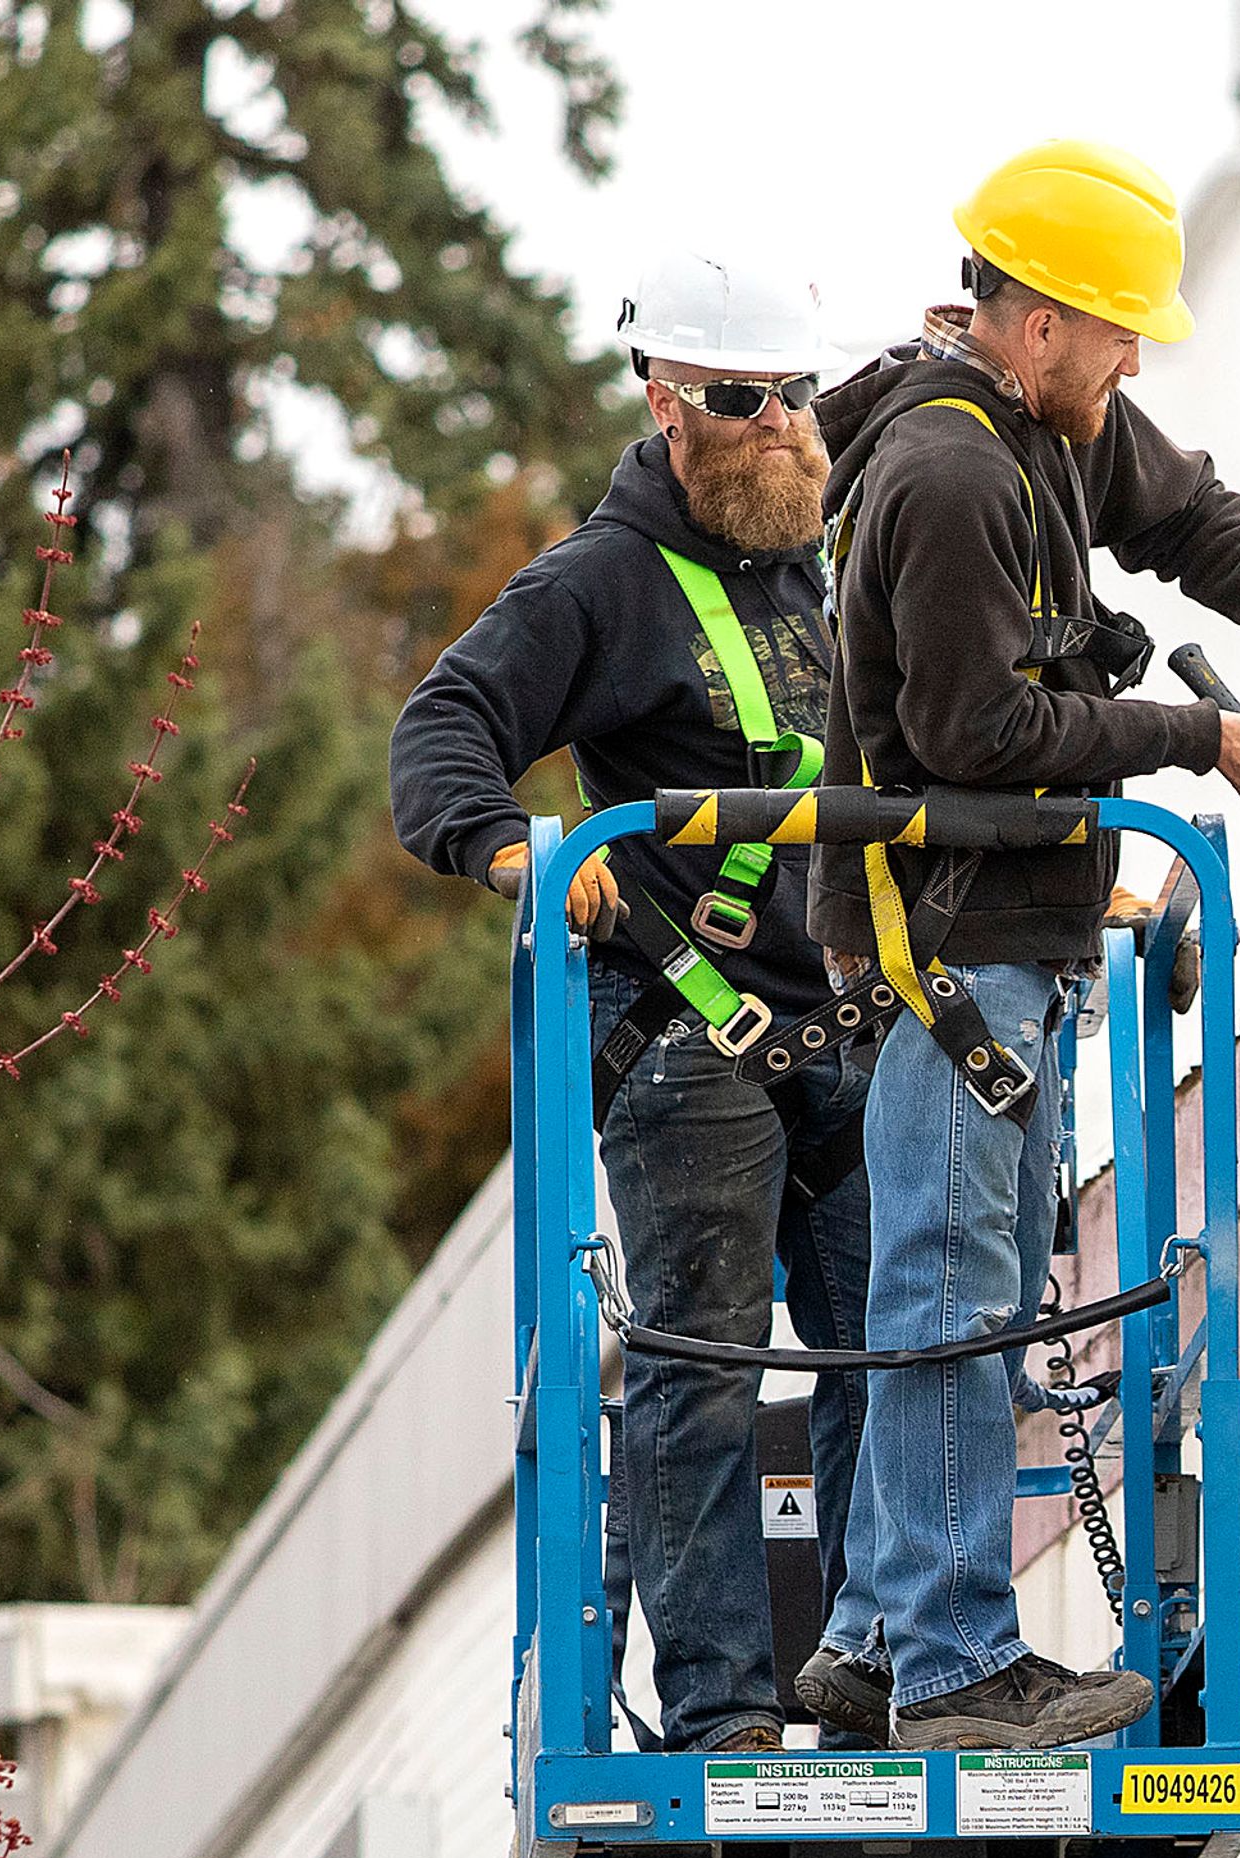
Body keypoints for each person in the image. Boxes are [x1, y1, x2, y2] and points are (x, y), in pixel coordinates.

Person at [791, 138, 1240, 1748]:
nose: (1137, 361)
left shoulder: (1046, 431)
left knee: (973, 1280)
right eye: (1122, 330)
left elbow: (1186, 510)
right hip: (945, 949)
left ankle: (873, 1636)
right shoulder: (949, 475)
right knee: (949, 1294)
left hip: (1007, 939)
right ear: (1040, 317)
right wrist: (1194, 736)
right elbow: (974, 729)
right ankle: (951, 1667)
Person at [389, 248, 869, 1755]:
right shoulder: (602, 584)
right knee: (705, 1363)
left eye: (798, 394)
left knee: (894, 1351)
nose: (785, 424)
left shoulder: (831, 559)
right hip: (691, 1030)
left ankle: (882, 1679)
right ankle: (725, 1704)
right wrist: (515, 852)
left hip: (853, 1019)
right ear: (666, 404)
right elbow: (444, 728)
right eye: (745, 398)